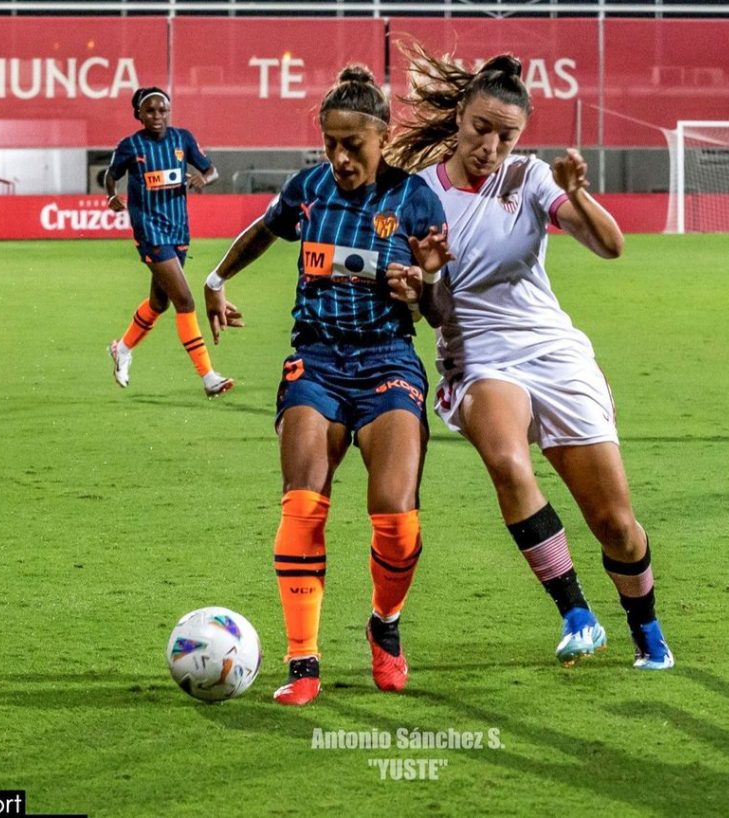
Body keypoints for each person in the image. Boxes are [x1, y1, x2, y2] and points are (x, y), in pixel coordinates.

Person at [385, 48, 674, 670]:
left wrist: (580, 196)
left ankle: (646, 629)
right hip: (479, 356)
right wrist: (427, 278)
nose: (491, 145)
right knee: (510, 464)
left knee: (616, 523)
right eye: (481, 128)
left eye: (507, 134)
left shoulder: (533, 178)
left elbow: (610, 245)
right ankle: (577, 614)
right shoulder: (419, 195)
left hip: (552, 351)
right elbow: (434, 313)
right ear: (459, 117)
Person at [202, 65, 450, 705]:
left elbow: (441, 309)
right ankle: (302, 661)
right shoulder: (309, 188)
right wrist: (215, 279)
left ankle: (384, 626)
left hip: (388, 359)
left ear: (382, 137)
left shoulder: (413, 199)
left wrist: (422, 286)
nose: (339, 157)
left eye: (353, 145)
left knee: (396, 518)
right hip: (315, 359)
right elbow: (265, 229)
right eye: (330, 144)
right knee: (302, 502)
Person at [105, 86, 235, 399]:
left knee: (159, 303)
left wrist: (205, 178)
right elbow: (111, 174)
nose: (157, 116)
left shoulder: (182, 139)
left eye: (162, 110)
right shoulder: (131, 145)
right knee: (185, 301)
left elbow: (211, 169)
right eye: (150, 111)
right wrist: (111, 195)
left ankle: (122, 349)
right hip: (150, 231)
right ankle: (208, 376)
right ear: (138, 114)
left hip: (179, 230)